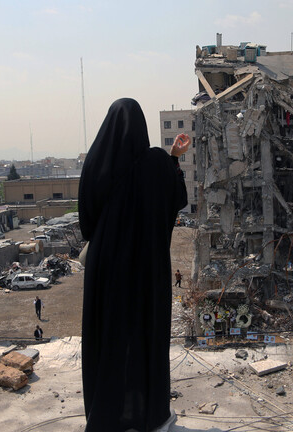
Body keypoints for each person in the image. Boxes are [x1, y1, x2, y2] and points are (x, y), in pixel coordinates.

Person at [79, 98, 188, 432]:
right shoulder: (155, 163)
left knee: (109, 337)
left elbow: (87, 221)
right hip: (145, 269)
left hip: (107, 268)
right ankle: (148, 413)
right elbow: (176, 198)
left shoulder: (96, 163)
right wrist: (173, 158)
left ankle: (106, 415)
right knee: (145, 333)